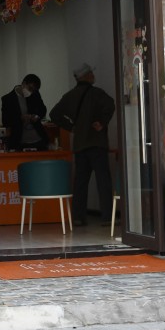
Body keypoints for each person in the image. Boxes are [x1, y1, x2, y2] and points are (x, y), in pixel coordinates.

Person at [49, 63, 116, 227]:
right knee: (103, 181)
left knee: (80, 182)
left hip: (79, 146)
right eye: (91, 73)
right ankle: (107, 217)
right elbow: (111, 105)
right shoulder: (97, 94)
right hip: (97, 144)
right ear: (86, 76)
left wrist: (70, 127)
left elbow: (54, 114)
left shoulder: (69, 96)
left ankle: (78, 217)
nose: (93, 76)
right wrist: (101, 122)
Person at [0, 74, 48, 151]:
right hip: (19, 140)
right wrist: (20, 118)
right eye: (30, 88)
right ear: (23, 83)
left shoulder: (34, 94)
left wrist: (36, 116)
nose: (30, 92)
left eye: (33, 90)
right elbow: (6, 121)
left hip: (38, 138)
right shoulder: (8, 99)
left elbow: (42, 109)